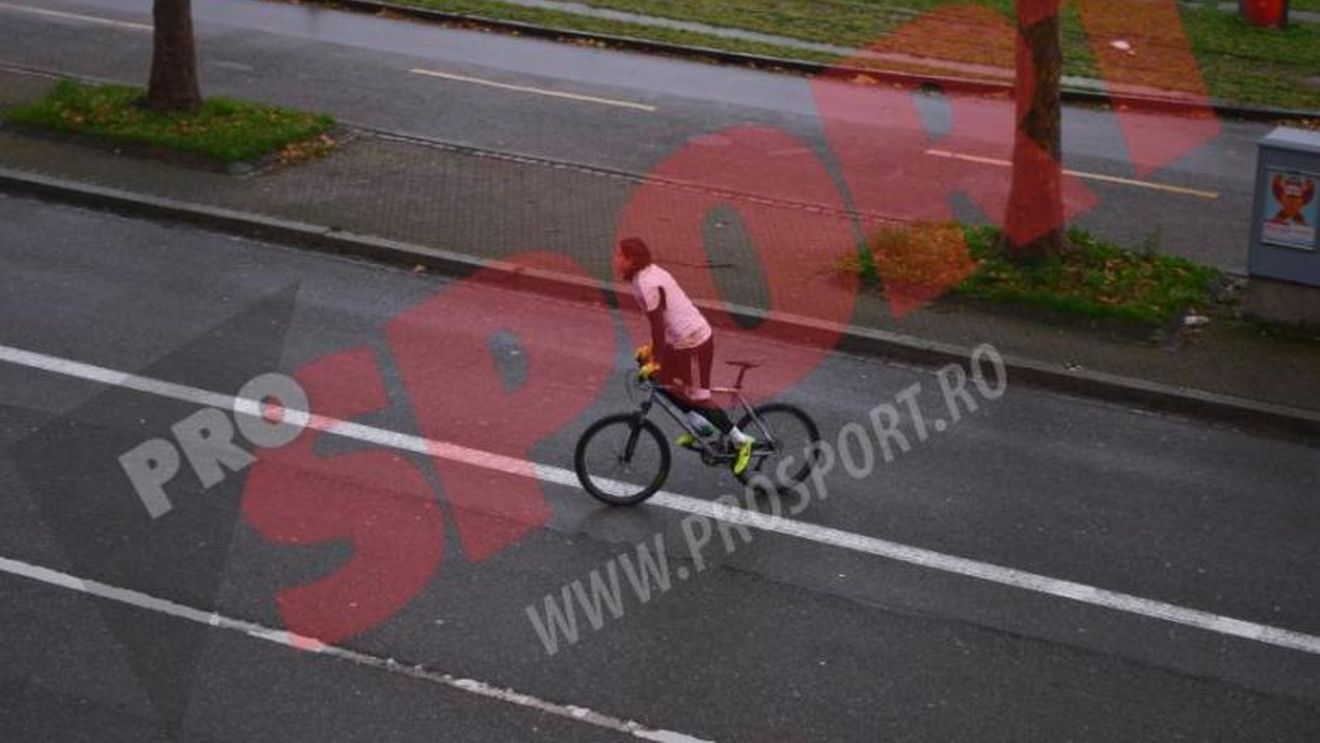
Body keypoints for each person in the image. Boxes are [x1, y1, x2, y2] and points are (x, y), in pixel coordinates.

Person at [614, 237, 755, 476]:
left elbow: (658, 326)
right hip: (679, 340)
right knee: (660, 381)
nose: (615, 259)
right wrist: (650, 351)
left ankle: (740, 440)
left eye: (619, 256)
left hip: (694, 341)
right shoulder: (644, 276)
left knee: (699, 398)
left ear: (631, 260)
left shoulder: (648, 283)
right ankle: (700, 425)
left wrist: (656, 359)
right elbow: (665, 322)